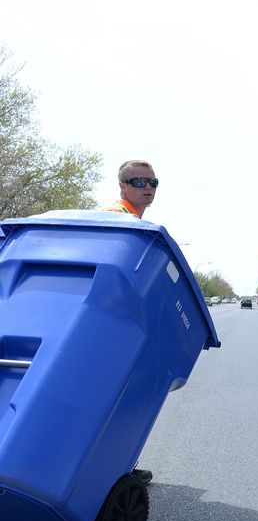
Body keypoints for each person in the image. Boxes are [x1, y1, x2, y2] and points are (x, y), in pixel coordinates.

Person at [103, 160, 159, 484]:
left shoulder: (135, 220)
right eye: (139, 182)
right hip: (114, 325)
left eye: (153, 182)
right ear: (123, 186)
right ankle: (116, 468)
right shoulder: (117, 217)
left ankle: (121, 463)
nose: (148, 188)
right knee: (121, 400)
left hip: (120, 324)